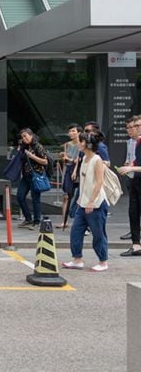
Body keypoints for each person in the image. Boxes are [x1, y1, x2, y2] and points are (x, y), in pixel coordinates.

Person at [62, 132, 109, 272]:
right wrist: (81, 200)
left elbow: (99, 182)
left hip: (96, 204)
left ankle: (103, 261)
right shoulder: (84, 159)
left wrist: (91, 201)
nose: (78, 143)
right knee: (76, 232)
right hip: (82, 204)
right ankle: (77, 259)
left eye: (81, 141)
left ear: (88, 144)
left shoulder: (97, 160)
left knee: (98, 233)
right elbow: (84, 183)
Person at [14, 128, 49, 230]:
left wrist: (32, 156)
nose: (24, 138)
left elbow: (45, 161)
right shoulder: (25, 147)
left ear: (31, 135)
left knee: (35, 199)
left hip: (36, 175)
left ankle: (37, 221)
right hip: (26, 176)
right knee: (20, 197)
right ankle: (28, 218)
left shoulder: (38, 146)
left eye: (26, 136)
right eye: (22, 137)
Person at [118, 115, 141, 257]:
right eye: (133, 126)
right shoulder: (136, 142)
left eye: (137, 126)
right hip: (135, 181)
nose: (135, 129)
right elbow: (136, 160)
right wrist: (129, 165)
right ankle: (136, 245)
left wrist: (131, 168)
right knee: (133, 212)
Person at [57, 123, 81, 229]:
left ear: (79, 132)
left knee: (79, 197)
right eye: (70, 131)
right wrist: (64, 158)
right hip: (68, 170)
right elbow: (66, 160)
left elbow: (78, 160)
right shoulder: (67, 144)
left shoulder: (82, 145)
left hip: (79, 170)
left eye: (73, 131)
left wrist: (69, 159)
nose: (71, 133)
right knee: (66, 196)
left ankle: (79, 221)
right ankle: (64, 221)